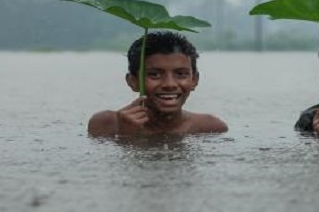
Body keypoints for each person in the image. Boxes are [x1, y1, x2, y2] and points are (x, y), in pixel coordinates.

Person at [88, 31, 228, 137]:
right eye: (154, 74)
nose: (169, 84)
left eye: (180, 74)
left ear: (194, 80)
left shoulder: (210, 128)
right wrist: (126, 136)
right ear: (133, 81)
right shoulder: (106, 124)